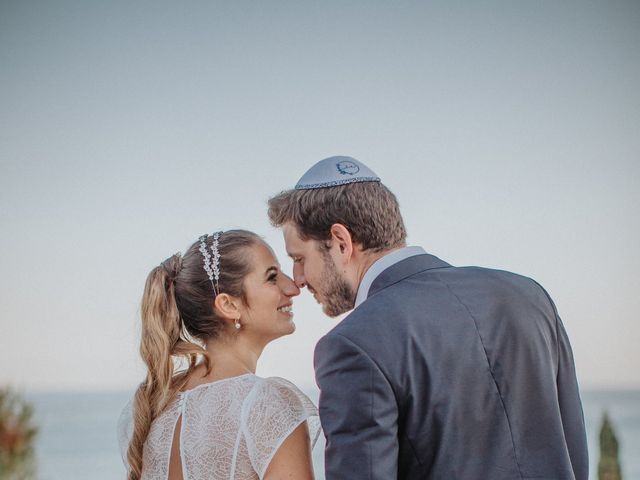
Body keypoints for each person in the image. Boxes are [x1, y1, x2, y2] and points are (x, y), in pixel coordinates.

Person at [267, 156, 588, 479]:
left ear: (341, 242)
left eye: (298, 258)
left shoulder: (353, 343)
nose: (298, 278)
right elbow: (572, 452)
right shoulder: (529, 295)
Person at [117, 230, 320, 480]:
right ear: (228, 305)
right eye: (272, 277)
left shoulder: (154, 405)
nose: (292, 288)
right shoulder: (266, 405)